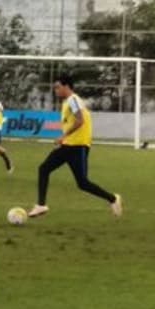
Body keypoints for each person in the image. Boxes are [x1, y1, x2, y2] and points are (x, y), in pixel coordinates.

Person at [28, 76, 122, 218]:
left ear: (67, 87)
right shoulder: (68, 102)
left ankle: (113, 199)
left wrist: (63, 136)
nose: (56, 90)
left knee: (82, 183)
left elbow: (80, 120)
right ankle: (41, 205)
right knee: (44, 169)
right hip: (69, 145)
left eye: (58, 87)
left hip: (78, 146)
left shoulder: (73, 100)